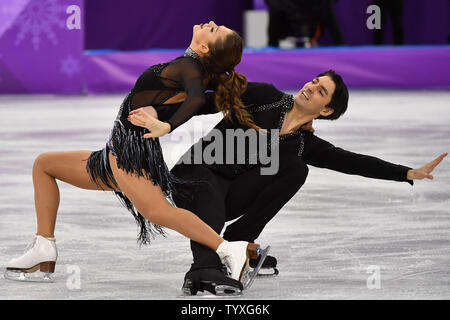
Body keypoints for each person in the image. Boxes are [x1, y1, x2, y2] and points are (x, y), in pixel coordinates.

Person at [131, 70, 447, 295]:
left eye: (321, 91)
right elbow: (209, 101)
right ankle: (203, 271)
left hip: (230, 191)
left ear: (325, 110)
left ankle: (240, 240)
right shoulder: (266, 96)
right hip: (196, 174)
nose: (311, 87)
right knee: (209, 197)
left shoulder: (303, 143)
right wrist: (164, 118)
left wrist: (406, 172)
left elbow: (352, 161)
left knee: (296, 170)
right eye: (314, 81)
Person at [4, 21, 265, 284]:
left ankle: (229, 249)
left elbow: (196, 99)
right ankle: (43, 247)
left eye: (214, 30)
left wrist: (166, 125)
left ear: (205, 47)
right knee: (45, 165)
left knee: (159, 211)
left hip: (129, 153)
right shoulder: (197, 69)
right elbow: (200, 103)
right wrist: (161, 114)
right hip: (117, 151)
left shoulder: (190, 67)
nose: (211, 23)